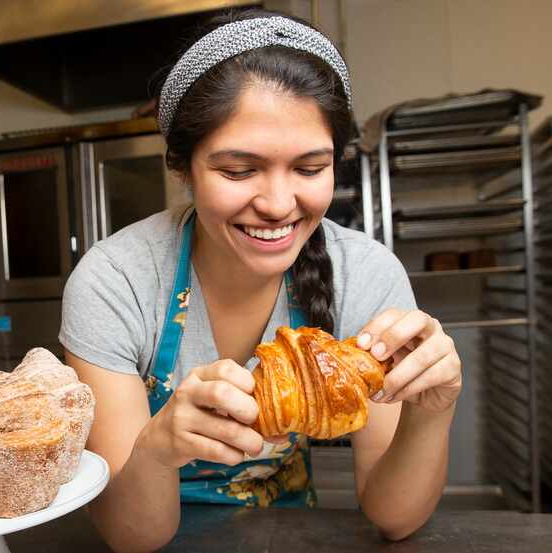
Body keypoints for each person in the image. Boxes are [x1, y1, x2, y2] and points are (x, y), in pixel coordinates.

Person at [59, 8, 461, 552]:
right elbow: (135, 538)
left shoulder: (364, 274)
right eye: (238, 171)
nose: (277, 205)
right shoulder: (116, 282)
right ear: (182, 167)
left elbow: (394, 518)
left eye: (310, 168)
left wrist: (432, 412)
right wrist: (156, 449)